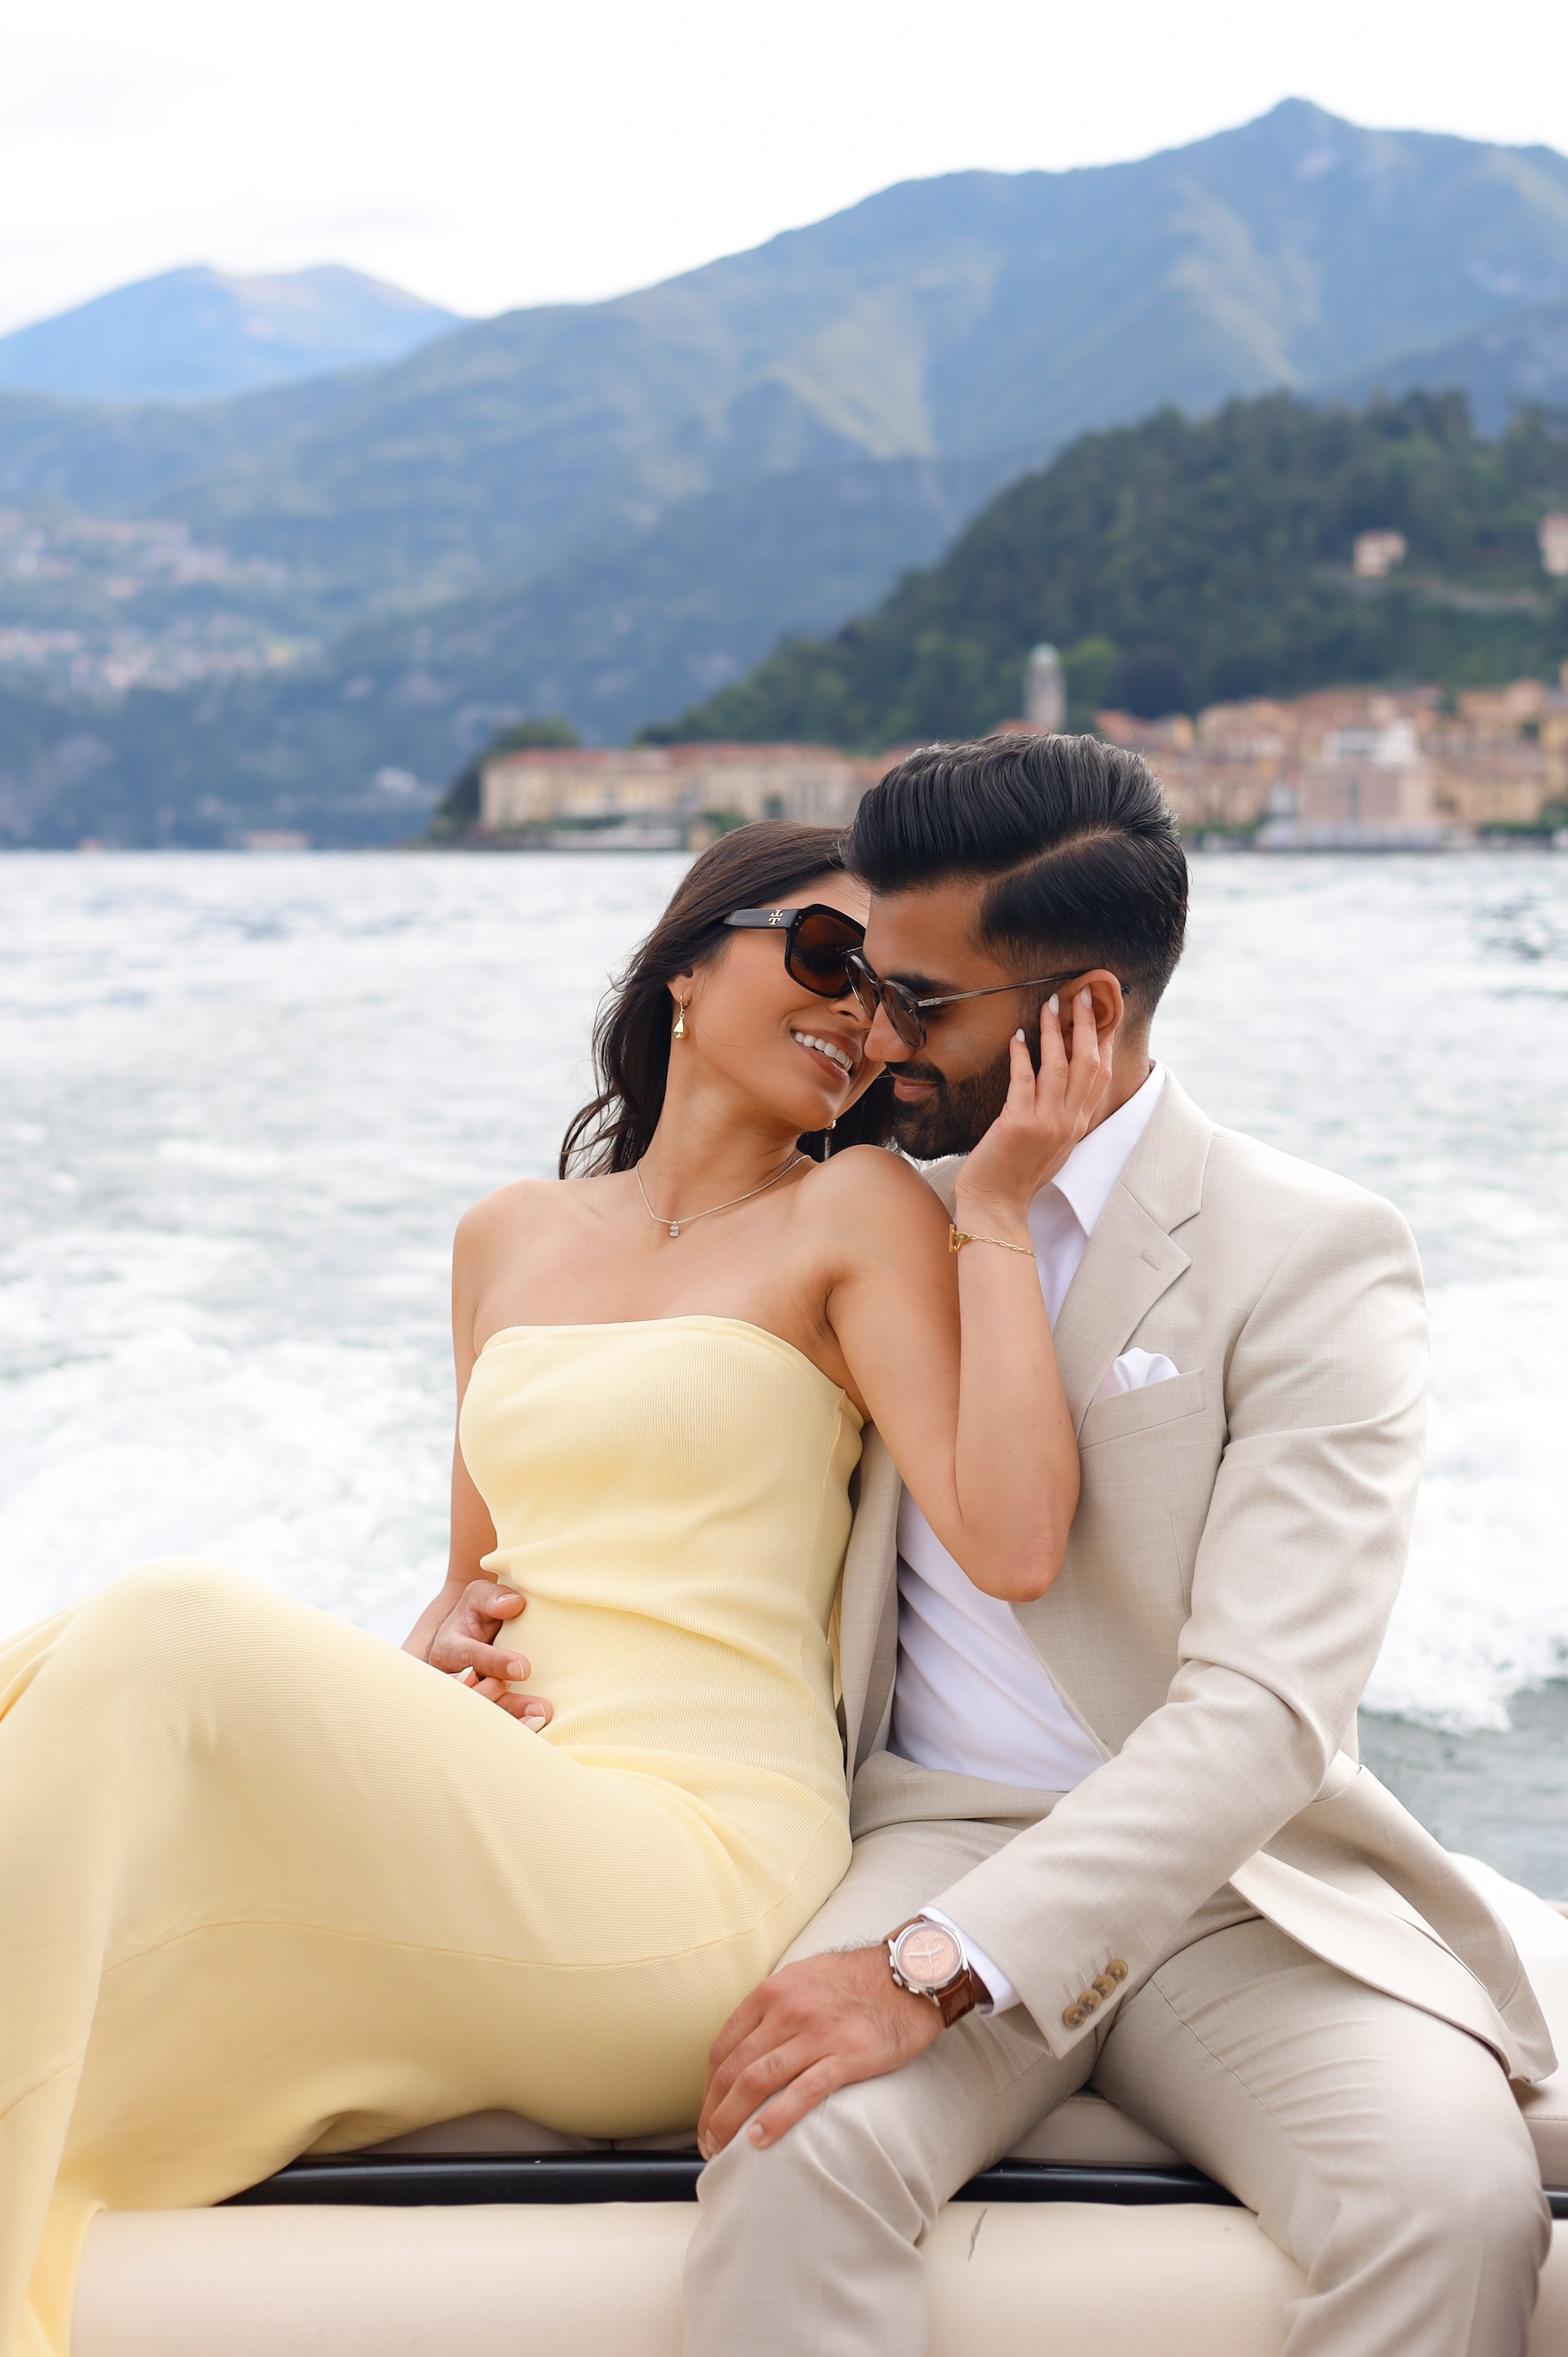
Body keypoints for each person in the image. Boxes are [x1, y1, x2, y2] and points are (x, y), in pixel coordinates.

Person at [0, 819, 1108, 2357]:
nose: (862, 1012)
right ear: (684, 964)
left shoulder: (855, 1215)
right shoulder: (505, 1234)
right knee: (110, 1729)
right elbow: (470, 1586)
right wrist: (439, 1642)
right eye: (824, 954)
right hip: (514, 1827)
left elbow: (1014, 1538)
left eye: (898, 996)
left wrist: (992, 1205)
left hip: (698, 1869)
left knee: (163, 1630)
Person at [684, 737, 1556, 2357]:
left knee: (1453, 2197)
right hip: (925, 1832)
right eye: (870, 979)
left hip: (1236, 1887)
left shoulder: (1312, 1253)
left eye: (923, 1003)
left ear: (1079, 1009)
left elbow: (1261, 1716)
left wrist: (933, 1971)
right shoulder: (864, 1210)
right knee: (786, 2152)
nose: (874, 1031)